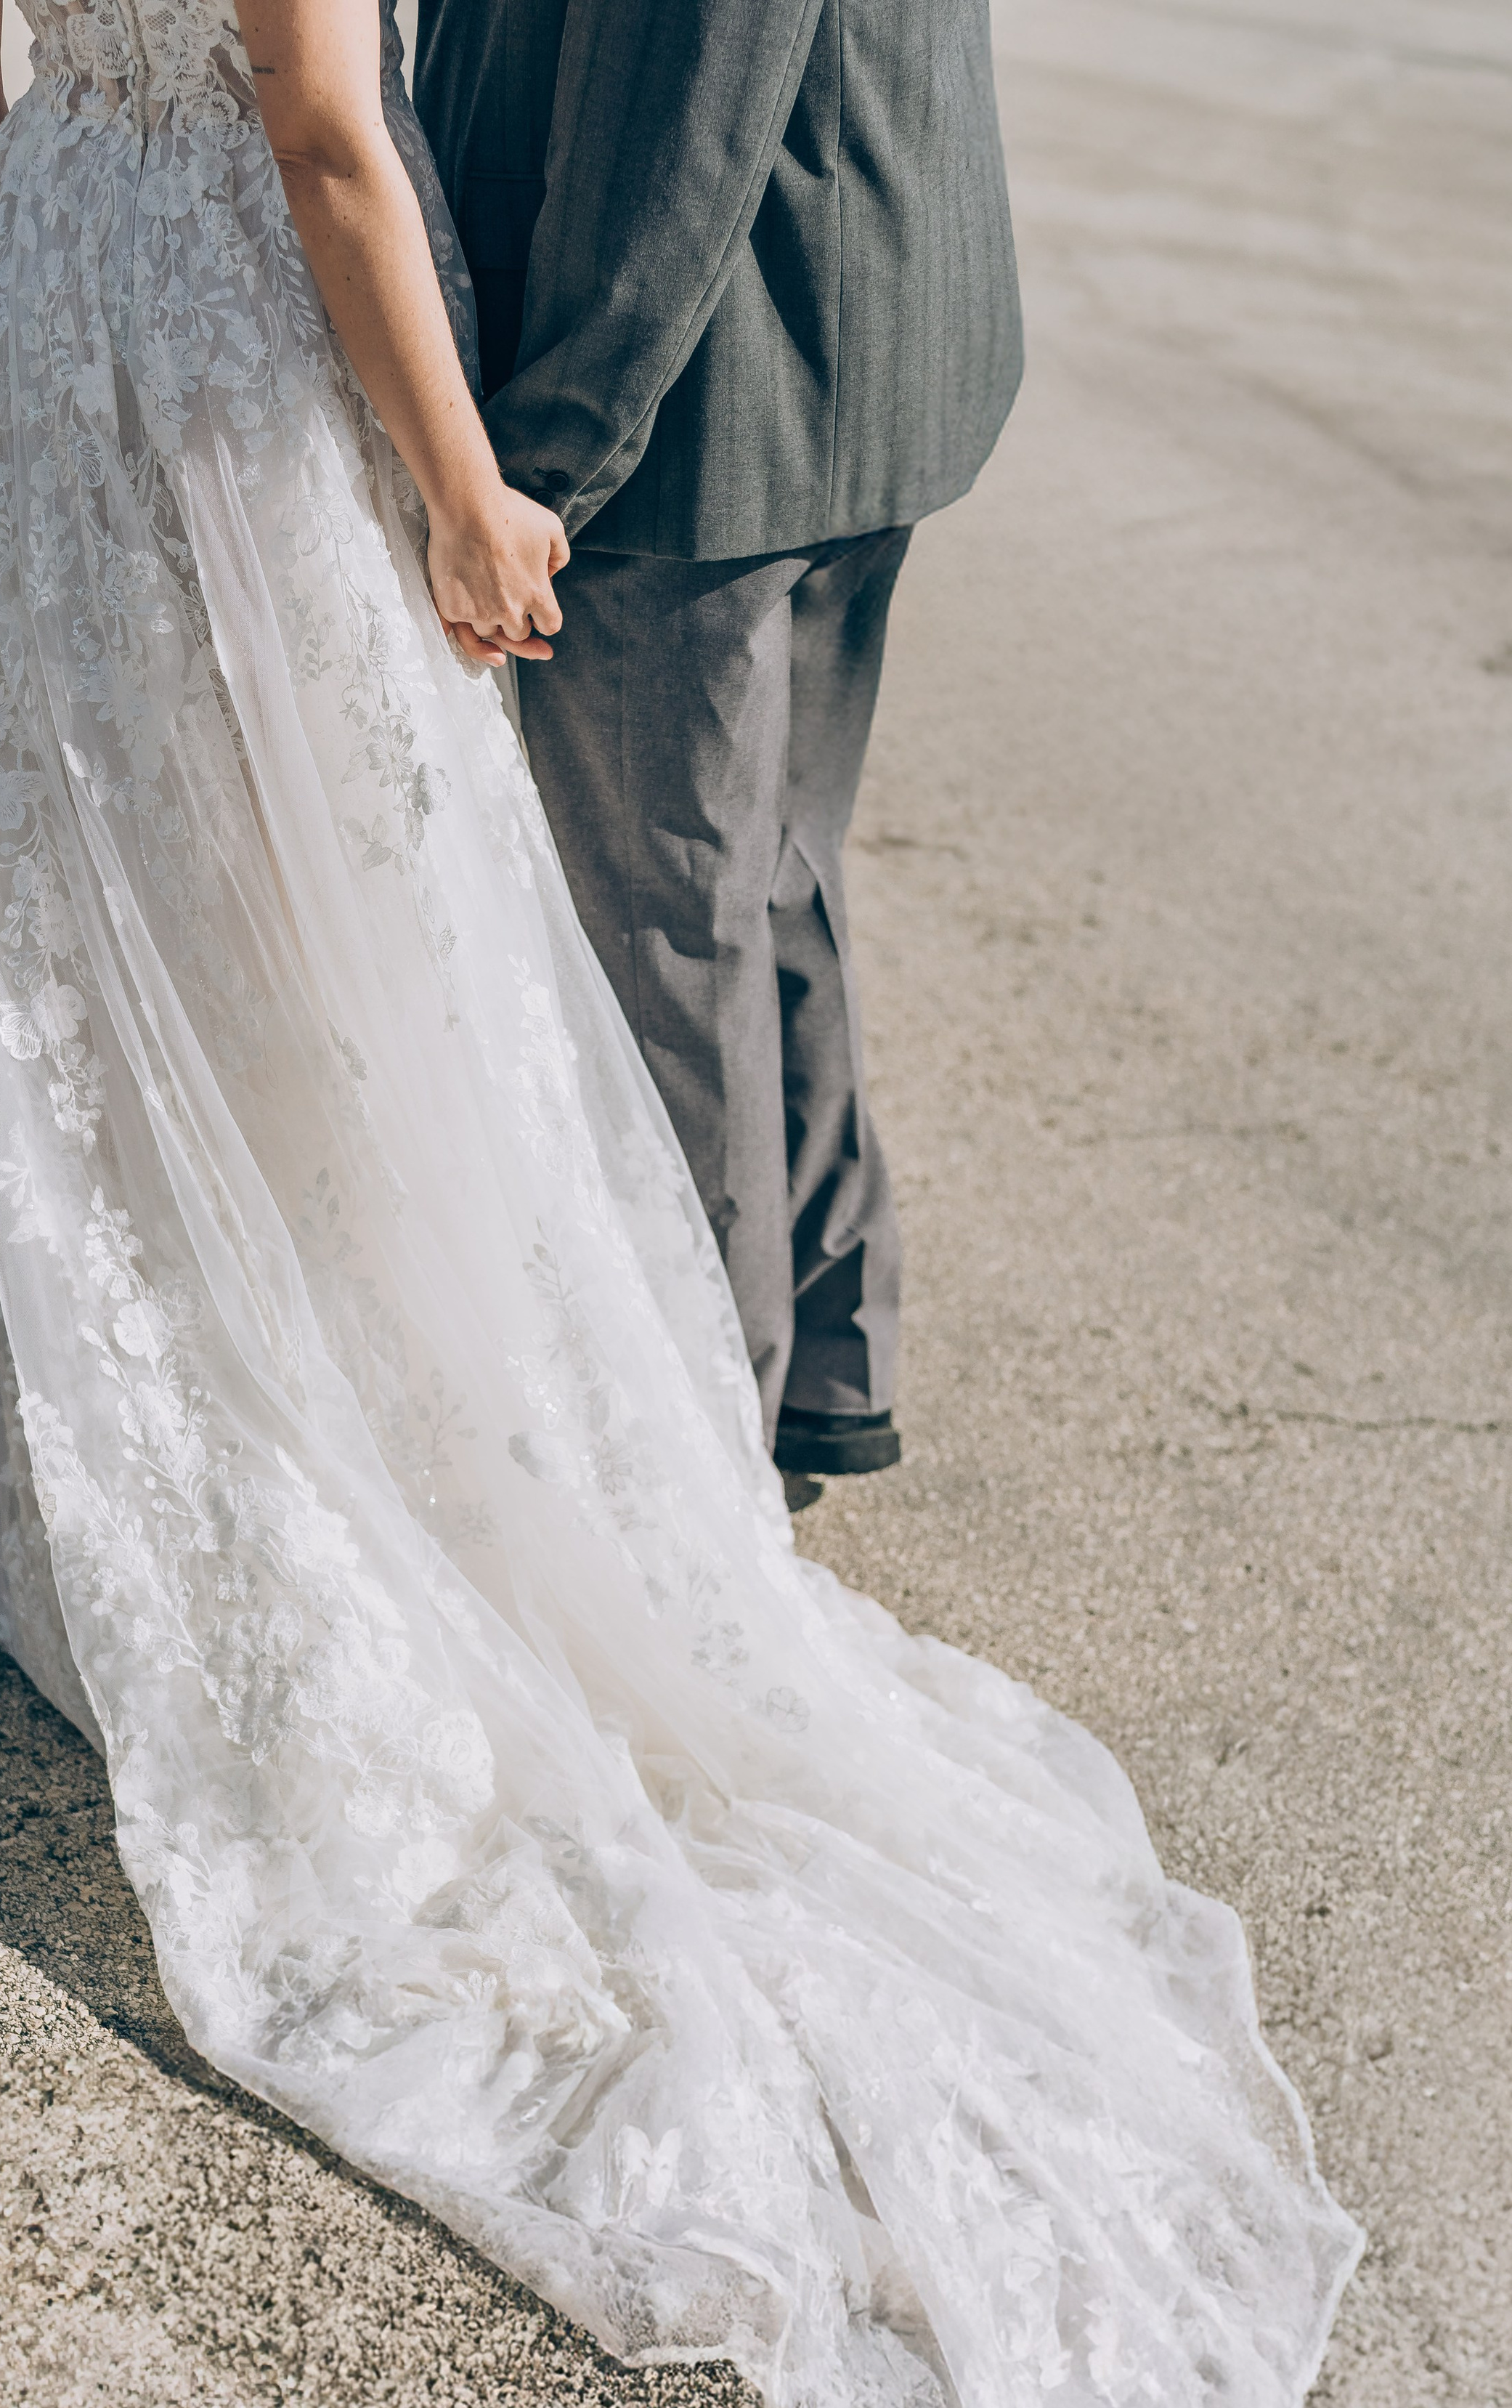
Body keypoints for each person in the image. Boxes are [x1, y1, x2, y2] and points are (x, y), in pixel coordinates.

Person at [0, 0, 1359, 2408]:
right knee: (344, 919)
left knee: (101, 892)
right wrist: (474, 484)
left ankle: (139, 1352)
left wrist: (45, 299)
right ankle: (549, 1415)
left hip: (40, 307)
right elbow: (318, 133)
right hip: (250, 311)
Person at [413, 0, 1023, 1480]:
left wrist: (548, 466)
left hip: (695, 398)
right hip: (865, 319)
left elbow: (677, 102)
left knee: (668, 939)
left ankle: (695, 1458)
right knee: (767, 876)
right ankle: (829, 1353)